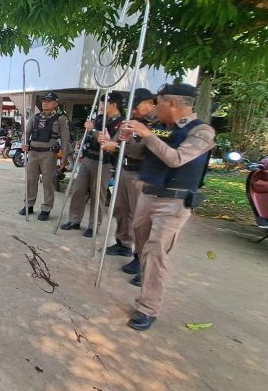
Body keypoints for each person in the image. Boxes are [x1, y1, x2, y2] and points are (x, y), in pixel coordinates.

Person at [118, 83, 215, 331]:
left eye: (158, 102)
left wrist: (147, 134)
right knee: (143, 250)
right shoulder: (161, 129)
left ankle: (147, 308)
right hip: (147, 196)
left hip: (173, 203)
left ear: (172, 103)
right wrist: (126, 141)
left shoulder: (201, 131)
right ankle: (146, 291)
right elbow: (140, 154)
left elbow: (176, 159)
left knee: (155, 253)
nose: (154, 108)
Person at [99, 88, 157, 277]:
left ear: (149, 103)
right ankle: (123, 243)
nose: (133, 111)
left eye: (136, 106)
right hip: (124, 170)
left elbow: (146, 151)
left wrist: (117, 146)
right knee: (120, 209)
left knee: (140, 217)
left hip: (142, 174)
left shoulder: (157, 125)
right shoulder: (131, 122)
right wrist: (109, 142)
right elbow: (117, 143)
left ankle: (141, 257)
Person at [60, 92, 125, 237]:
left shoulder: (121, 123)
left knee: (97, 195)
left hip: (104, 162)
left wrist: (93, 130)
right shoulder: (99, 118)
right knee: (78, 190)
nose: (101, 106)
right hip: (88, 158)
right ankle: (74, 220)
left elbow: (111, 143)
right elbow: (89, 137)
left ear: (113, 105)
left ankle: (93, 225)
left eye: (103, 103)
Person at [21, 92, 70, 221]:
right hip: (33, 153)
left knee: (48, 181)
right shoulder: (35, 117)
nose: (45, 103)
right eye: (44, 101)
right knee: (31, 179)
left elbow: (65, 139)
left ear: (55, 103)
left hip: (49, 154)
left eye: (48, 101)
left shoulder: (61, 119)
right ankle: (29, 204)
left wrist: (64, 157)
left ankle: (46, 208)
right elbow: (26, 133)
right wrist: (24, 144)